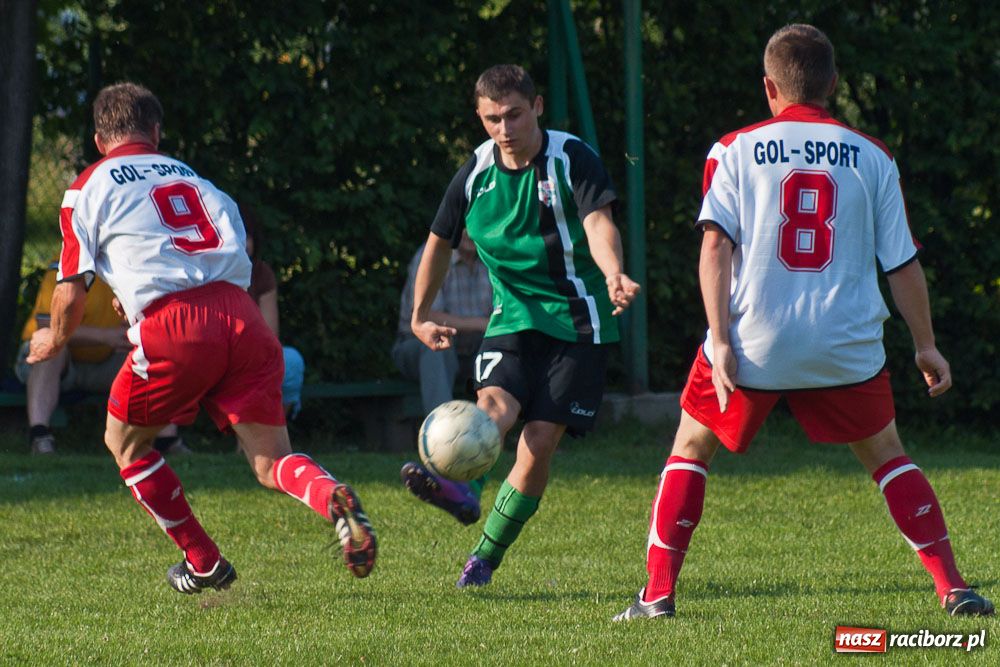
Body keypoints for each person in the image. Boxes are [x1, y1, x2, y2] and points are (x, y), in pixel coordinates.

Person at [614, 24, 993, 621]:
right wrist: (926, 346)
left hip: (754, 338)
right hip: (844, 342)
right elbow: (903, 263)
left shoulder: (733, 149)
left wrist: (718, 341)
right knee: (889, 456)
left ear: (769, 86)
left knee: (690, 448)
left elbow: (714, 249)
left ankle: (657, 596)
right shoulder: (872, 155)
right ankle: (954, 588)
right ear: (834, 85)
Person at [27, 82, 376, 594]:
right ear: (157, 131)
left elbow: (71, 289)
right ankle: (330, 495)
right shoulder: (202, 183)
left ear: (100, 140)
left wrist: (54, 340)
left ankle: (204, 561)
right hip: (242, 317)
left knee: (123, 443)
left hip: (177, 327)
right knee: (270, 459)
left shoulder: (89, 185)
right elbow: (215, 263)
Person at [408, 64, 640, 588]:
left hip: (579, 321)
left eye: (514, 114)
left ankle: (484, 556)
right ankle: (462, 490)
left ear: (536, 108)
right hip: (512, 316)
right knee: (493, 407)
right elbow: (438, 242)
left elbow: (598, 222)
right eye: (492, 118)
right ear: (480, 117)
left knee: (537, 441)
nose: (504, 128)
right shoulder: (474, 173)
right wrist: (420, 314)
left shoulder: (570, 156)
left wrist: (613, 273)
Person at [16, 260, 187, 456]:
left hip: (104, 359)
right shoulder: (64, 266)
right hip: (49, 362)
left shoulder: (132, 268)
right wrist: (105, 336)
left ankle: (167, 440)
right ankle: (40, 436)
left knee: (156, 354)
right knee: (52, 349)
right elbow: (47, 330)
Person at [396, 231, 493, 525]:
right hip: (421, 345)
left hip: (476, 346)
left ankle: (497, 437)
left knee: (507, 349)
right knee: (436, 351)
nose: (470, 233)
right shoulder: (432, 254)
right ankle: (439, 449)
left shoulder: (494, 255)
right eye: (464, 224)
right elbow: (429, 316)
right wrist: (483, 324)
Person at [239, 203, 305, 419]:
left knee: (292, 361)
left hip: (255, 351)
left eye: (248, 236)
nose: (244, 243)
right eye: (238, 235)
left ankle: (275, 431)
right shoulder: (209, 272)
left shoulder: (261, 274)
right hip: (217, 354)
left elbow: (270, 335)